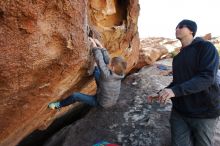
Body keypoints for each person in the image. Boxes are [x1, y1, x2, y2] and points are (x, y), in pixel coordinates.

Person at [148, 19, 220, 146]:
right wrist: (161, 92)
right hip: (180, 112)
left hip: (204, 112)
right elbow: (177, 82)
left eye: (181, 26)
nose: (177, 29)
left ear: (191, 30)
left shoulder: (206, 47)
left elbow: (207, 77)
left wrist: (174, 91)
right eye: (176, 27)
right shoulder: (177, 58)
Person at [48, 37, 127, 109]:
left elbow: (100, 60)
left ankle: (59, 105)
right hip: (107, 94)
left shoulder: (107, 76)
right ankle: (99, 85)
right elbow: (107, 60)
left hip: (101, 102)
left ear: (112, 68)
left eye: (110, 64)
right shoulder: (119, 74)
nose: (108, 63)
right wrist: (100, 45)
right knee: (96, 71)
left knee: (75, 96)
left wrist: (94, 46)